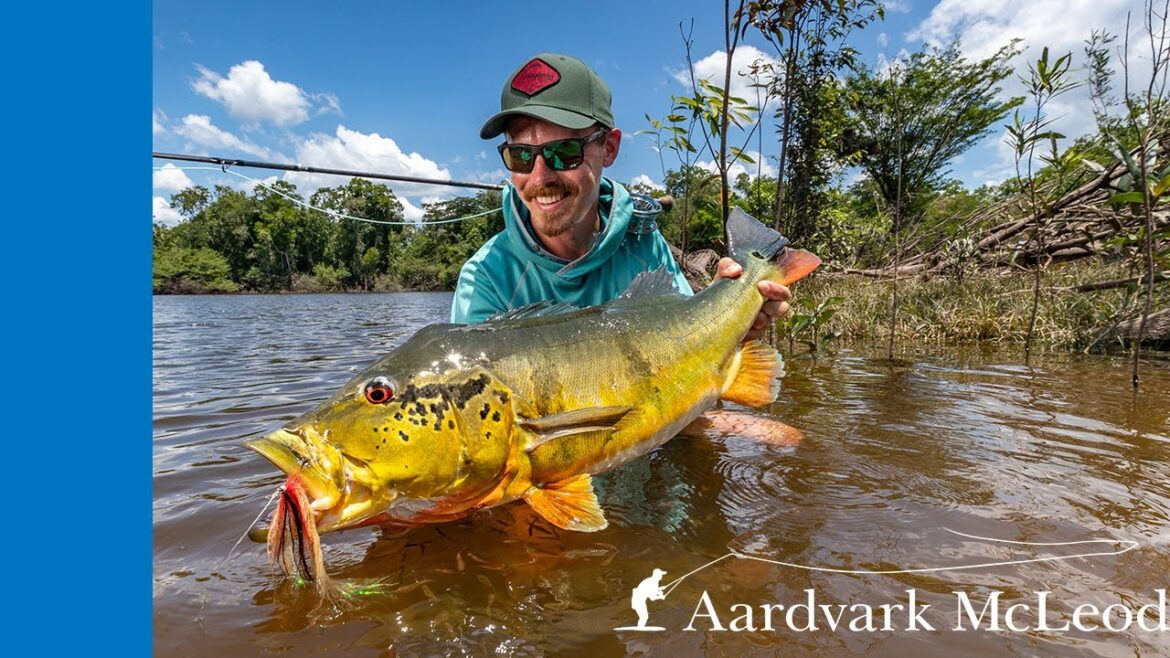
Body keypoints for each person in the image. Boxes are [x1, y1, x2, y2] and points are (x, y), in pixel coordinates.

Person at [451, 52, 790, 338]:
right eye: (521, 156)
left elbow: (679, 346)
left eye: (564, 152)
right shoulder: (486, 279)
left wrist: (729, 320)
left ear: (609, 148)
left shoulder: (641, 241)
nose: (539, 176)